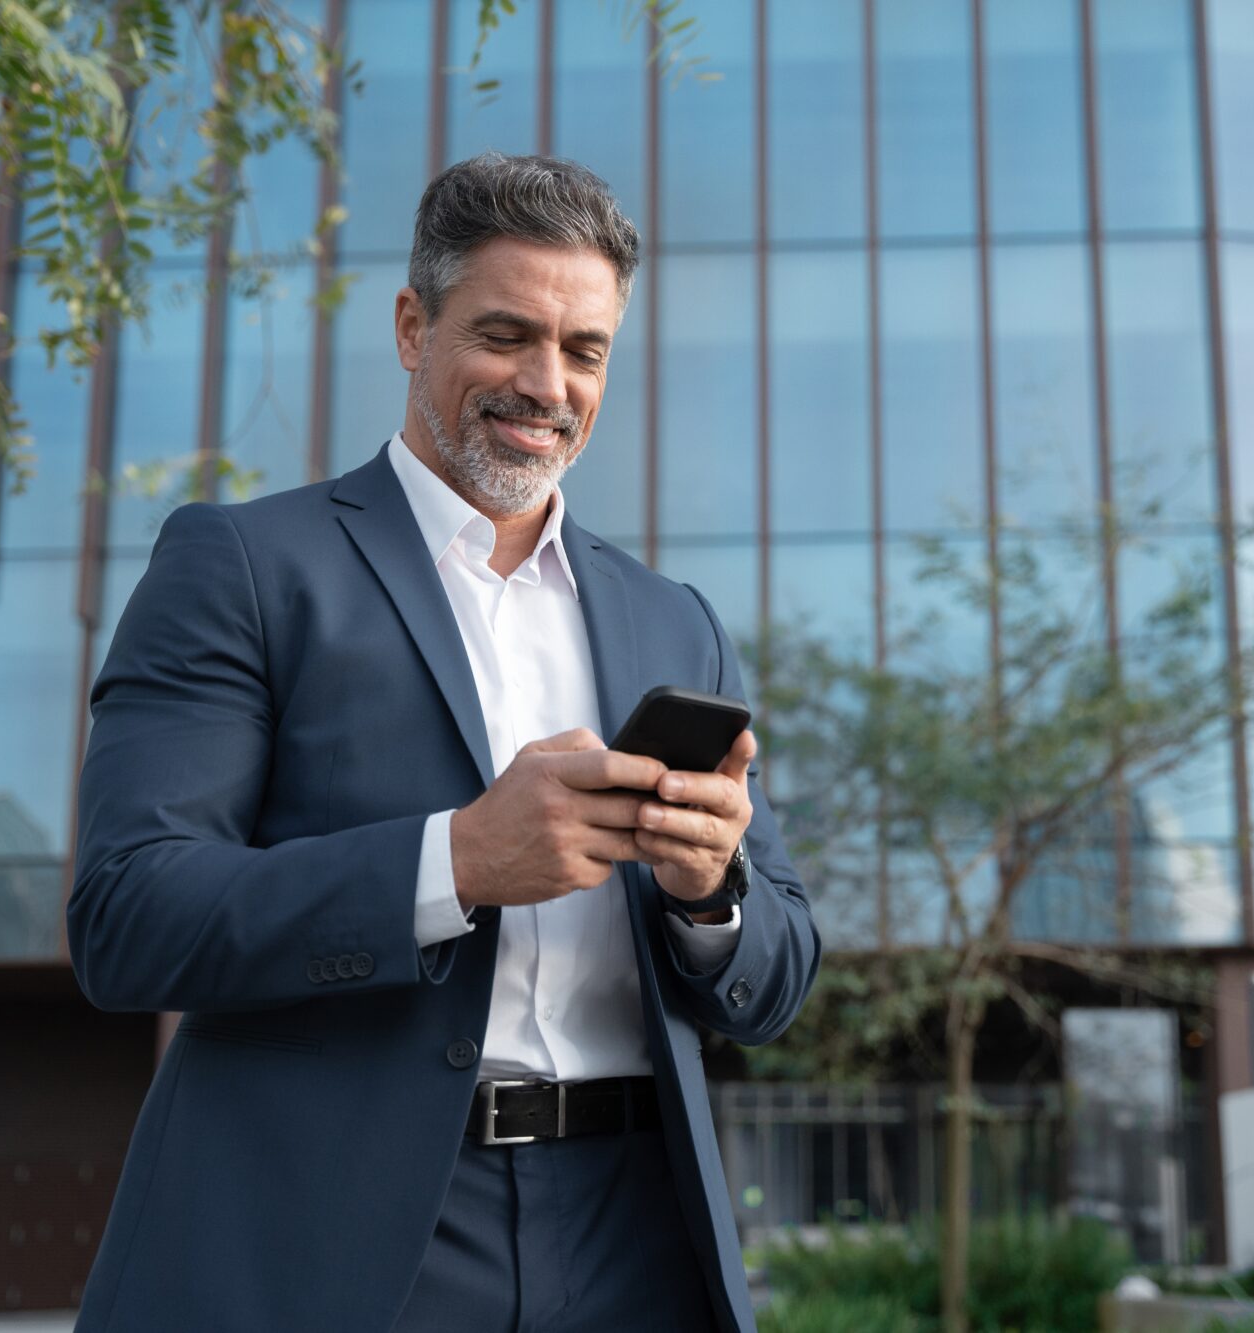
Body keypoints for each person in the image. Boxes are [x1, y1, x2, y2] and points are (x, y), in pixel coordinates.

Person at [66, 152, 821, 1333]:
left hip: (638, 1235)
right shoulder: (246, 567)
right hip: (346, 1238)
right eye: (506, 335)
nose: (545, 384)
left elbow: (773, 982)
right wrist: (454, 862)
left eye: (583, 350)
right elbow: (127, 918)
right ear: (413, 326)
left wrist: (706, 892)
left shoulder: (673, 621)